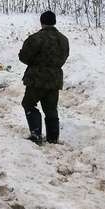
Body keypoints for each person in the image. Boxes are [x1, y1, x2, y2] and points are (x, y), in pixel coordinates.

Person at [18, 11, 69, 145]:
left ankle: (36, 135)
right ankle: (53, 138)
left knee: (28, 103)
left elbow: (24, 57)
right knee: (51, 108)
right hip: (55, 79)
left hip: (37, 78)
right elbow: (64, 57)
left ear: (42, 22)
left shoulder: (36, 38)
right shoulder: (63, 39)